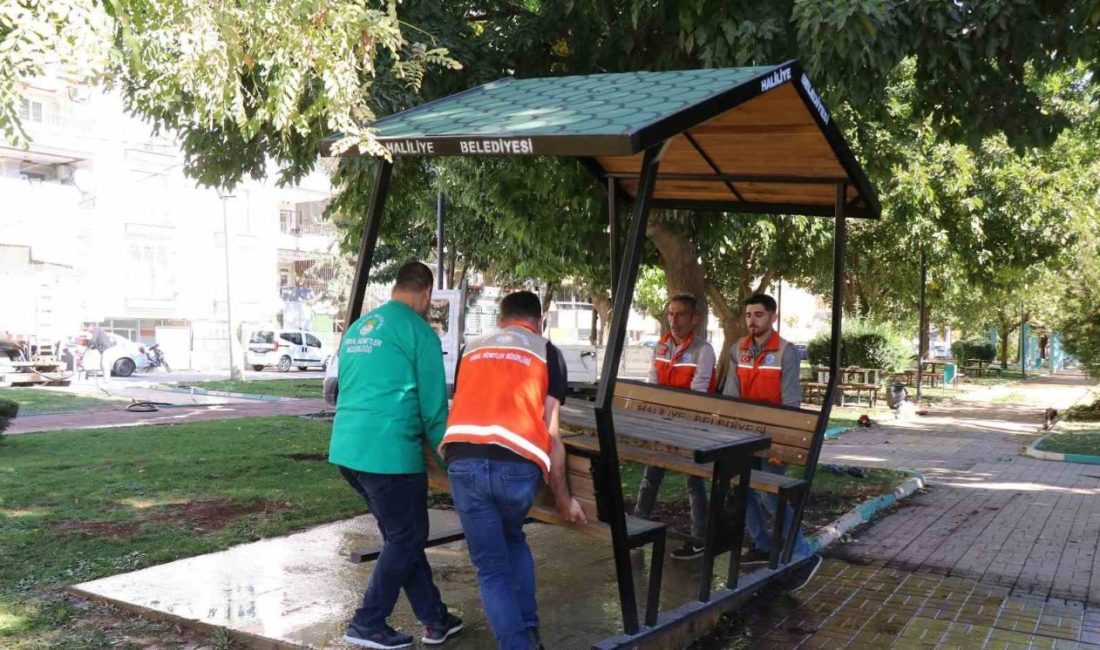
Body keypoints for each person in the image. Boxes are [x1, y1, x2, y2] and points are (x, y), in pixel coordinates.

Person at [440, 291, 587, 650]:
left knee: (492, 568)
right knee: (513, 537)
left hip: (462, 459)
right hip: (517, 468)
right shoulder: (545, 351)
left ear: (501, 320)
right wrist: (565, 500)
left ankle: (520, 642)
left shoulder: (471, 349)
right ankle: (528, 636)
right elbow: (551, 436)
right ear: (539, 320)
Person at [328, 261, 462, 649]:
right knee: (406, 537)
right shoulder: (419, 332)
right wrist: (451, 459)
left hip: (348, 450)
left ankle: (436, 620)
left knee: (402, 536)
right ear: (427, 293)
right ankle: (367, 622)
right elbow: (434, 409)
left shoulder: (359, 329)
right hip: (387, 454)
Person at [723, 293, 821, 590]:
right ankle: (762, 545)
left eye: (759, 315)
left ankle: (804, 553)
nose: (752, 321)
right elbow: (731, 396)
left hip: (775, 437)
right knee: (741, 488)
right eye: (749, 315)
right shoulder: (737, 350)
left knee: (770, 494)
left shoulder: (786, 352)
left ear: (773, 318)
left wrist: (782, 444)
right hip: (745, 435)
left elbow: (791, 402)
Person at [633, 294, 717, 560]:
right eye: (670, 314)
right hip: (662, 425)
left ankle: (699, 539)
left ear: (695, 319)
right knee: (650, 476)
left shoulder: (704, 351)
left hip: (692, 428)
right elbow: (652, 381)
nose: (674, 320)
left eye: (680, 314)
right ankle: (637, 527)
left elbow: (698, 391)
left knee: (695, 482)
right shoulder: (662, 346)